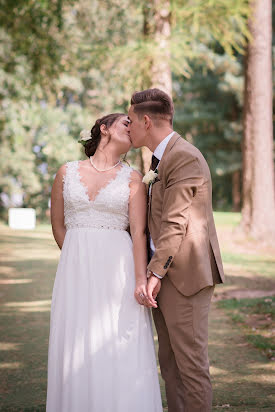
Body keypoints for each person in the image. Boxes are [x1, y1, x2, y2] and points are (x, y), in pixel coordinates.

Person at [47, 113, 163, 412]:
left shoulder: (133, 177)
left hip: (119, 270)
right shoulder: (66, 172)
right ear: (104, 129)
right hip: (75, 271)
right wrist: (77, 256)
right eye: (126, 122)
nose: (132, 127)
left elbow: (138, 232)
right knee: (76, 339)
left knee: (117, 340)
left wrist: (139, 279)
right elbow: (59, 225)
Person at [128, 88, 225, 412]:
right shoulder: (160, 158)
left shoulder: (184, 156)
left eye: (130, 121)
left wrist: (154, 273)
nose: (128, 127)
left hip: (184, 278)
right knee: (169, 364)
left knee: (191, 367)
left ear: (145, 121)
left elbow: (174, 224)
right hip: (166, 276)